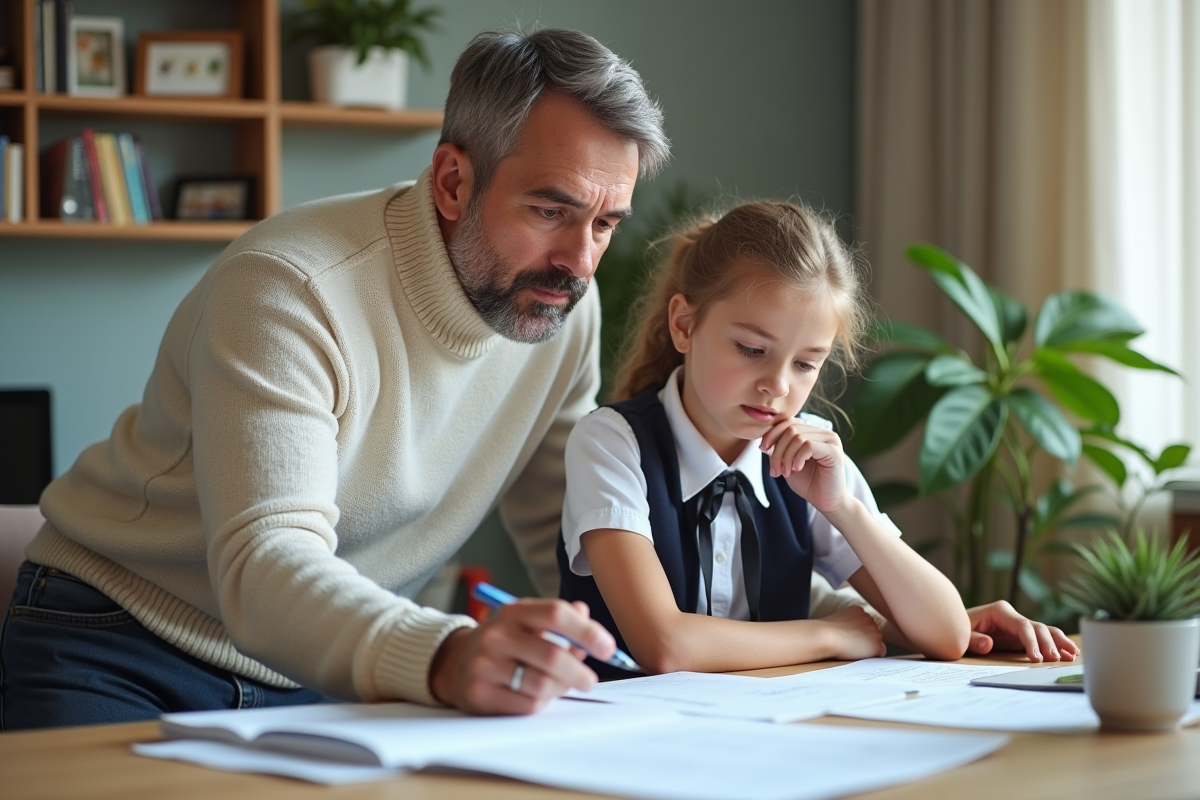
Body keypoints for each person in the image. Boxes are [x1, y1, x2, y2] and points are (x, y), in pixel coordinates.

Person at [0, 28, 670, 730]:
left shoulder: (560, 303)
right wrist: (443, 654)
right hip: (121, 639)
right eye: (551, 211)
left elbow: (567, 529)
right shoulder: (291, 287)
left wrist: (676, 644)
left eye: (604, 224)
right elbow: (264, 564)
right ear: (452, 182)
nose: (579, 261)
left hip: (322, 667)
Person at [558, 201, 1079, 676]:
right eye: (750, 348)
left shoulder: (811, 455)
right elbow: (666, 646)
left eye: (807, 363)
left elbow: (947, 633)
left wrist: (843, 507)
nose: (778, 386)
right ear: (684, 325)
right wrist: (830, 634)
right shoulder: (611, 443)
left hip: (773, 736)